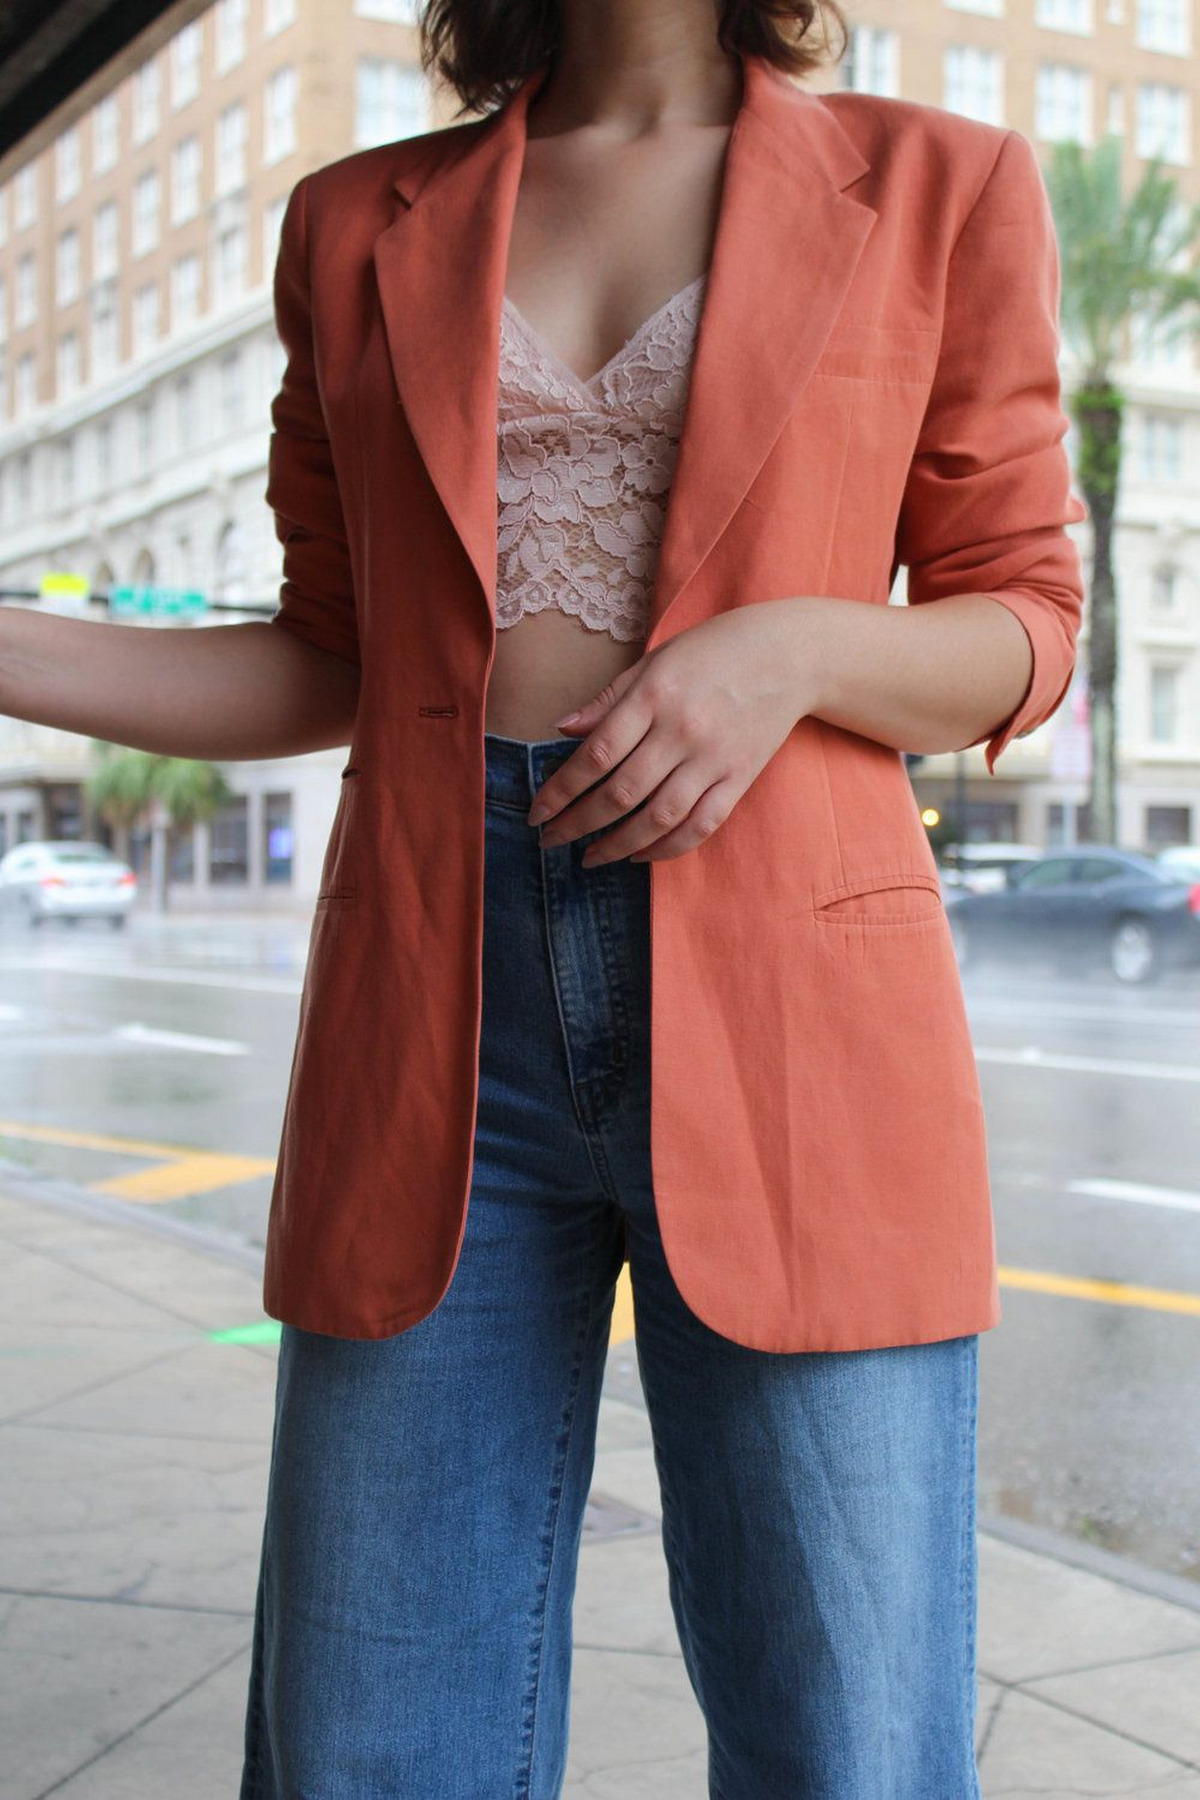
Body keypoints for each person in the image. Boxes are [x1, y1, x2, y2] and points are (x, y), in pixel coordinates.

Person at [0, 0, 1087, 1793]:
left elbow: (1027, 626)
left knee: (849, 1742)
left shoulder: (941, 184)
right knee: (369, 1738)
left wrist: (793, 651)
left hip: (800, 1015)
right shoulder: (355, 224)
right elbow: (321, 662)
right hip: (438, 996)